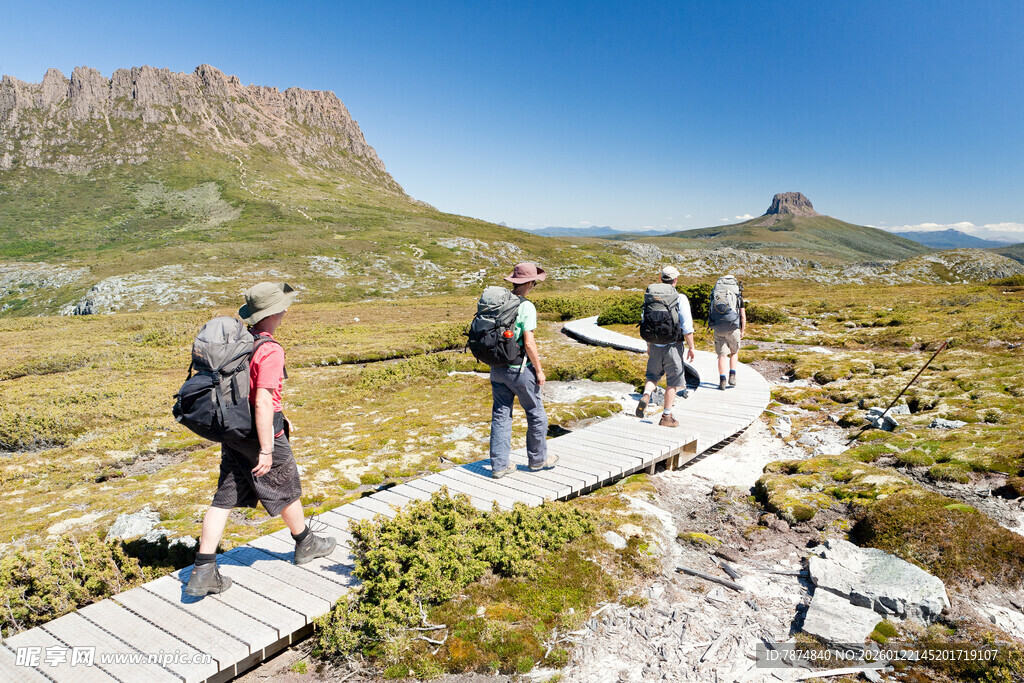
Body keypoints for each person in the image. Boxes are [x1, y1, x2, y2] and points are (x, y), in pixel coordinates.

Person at [186, 282, 336, 597]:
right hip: (259, 433)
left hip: (234, 431)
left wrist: (281, 416)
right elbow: (263, 401)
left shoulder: (241, 343)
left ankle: (202, 569)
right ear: (277, 312)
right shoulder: (269, 349)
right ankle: (306, 543)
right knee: (285, 483)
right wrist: (267, 448)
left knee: (224, 498)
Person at [489, 262, 558, 479]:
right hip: (519, 369)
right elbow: (529, 343)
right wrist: (539, 370)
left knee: (501, 414)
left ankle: (500, 465)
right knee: (536, 413)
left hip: (496, 368)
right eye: (534, 283)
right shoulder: (525, 306)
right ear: (528, 283)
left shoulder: (499, 302)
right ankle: (538, 460)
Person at [636, 266, 696, 428]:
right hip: (673, 346)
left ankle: (646, 395)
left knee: (652, 377)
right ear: (675, 280)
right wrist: (691, 347)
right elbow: (687, 326)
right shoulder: (680, 298)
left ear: (660, 278)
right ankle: (666, 417)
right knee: (672, 382)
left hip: (654, 344)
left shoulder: (650, 297)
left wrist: (648, 345)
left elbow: (645, 321)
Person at [708, 274, 747, 390]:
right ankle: (732, 376)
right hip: (733, 327)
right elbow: (743, 316)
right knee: (734, 352)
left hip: (718, 327)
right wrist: (742, 330)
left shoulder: (716, 293)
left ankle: (722, 380)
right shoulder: (737, 295)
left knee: (722, 355)